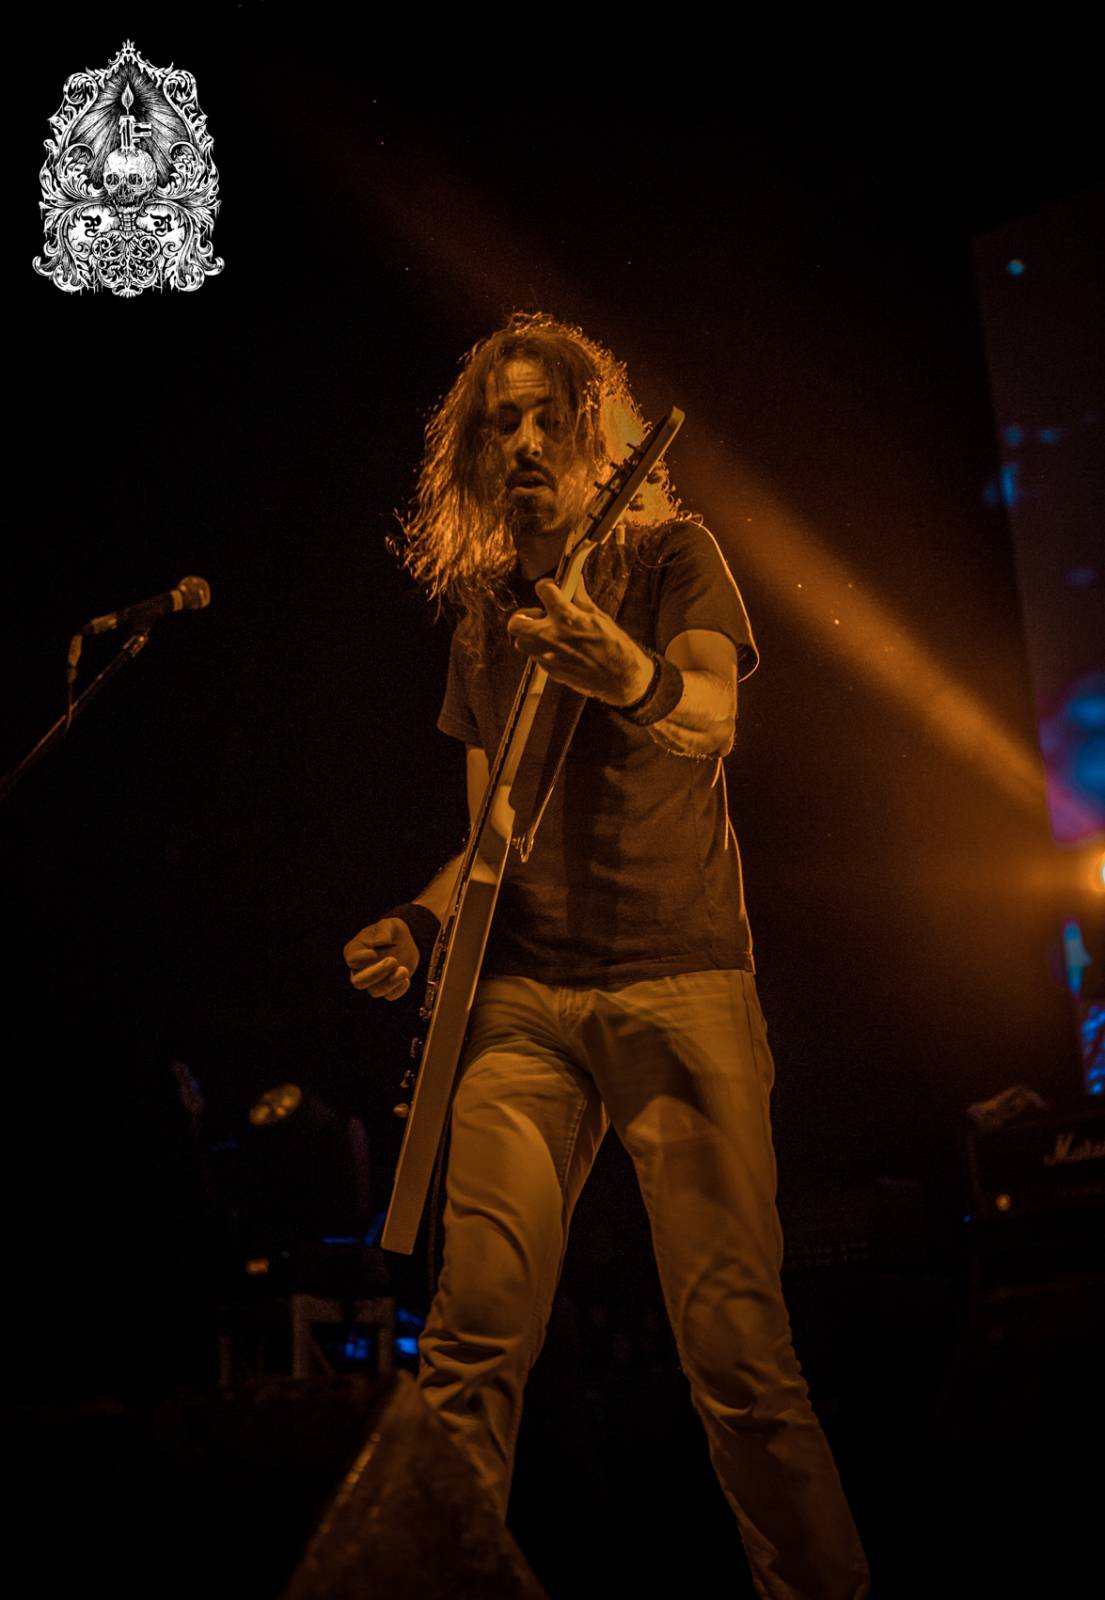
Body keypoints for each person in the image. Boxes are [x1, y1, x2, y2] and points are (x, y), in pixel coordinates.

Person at [344, 314, 870, 1599]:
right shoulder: (484, 611)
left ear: (596, 434)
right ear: (474, 456)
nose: (525, 443)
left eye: (548, 418)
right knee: (469, 1343)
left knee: (737, 1355)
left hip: (678, 976)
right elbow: (492, 826)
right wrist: (421, 921)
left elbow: (709, 717)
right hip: (525, 1002)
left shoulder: (675, 556)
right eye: (501, 425)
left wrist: (622, 671)